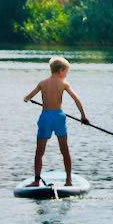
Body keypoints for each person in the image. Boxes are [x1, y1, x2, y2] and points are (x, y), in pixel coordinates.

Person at [22, 56, 89, 187]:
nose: (66, 75)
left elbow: (28, 97)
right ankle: (68, 181)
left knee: (39, 151)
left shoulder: (42, 83)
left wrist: (26, 99)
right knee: (65, 150)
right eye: (66, 72)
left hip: (46, 117)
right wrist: (83, 116)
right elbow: (76, 99)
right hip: (59, 117)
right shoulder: (64, 84)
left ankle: (36, 181)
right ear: (61, 70)